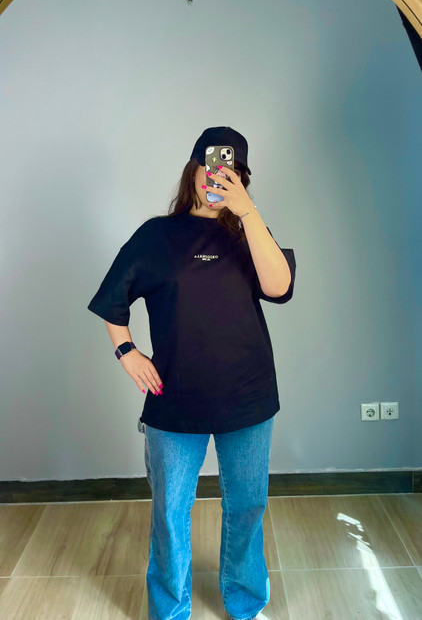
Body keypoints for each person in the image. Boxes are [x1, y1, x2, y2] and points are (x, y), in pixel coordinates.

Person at [87, 127, 297, 620]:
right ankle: (170, 609)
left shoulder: (249, 233)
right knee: (169, 511)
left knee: (247, 506)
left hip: (247, 396)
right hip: (175, 398)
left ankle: (245, 602)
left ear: (241, 179)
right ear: (193, 170)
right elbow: (113, 300)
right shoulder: (156, 236)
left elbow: (280, 287)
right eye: (210, 166)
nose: (217, 177)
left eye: (230, 171)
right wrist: (128, 352)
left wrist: (248, 213)